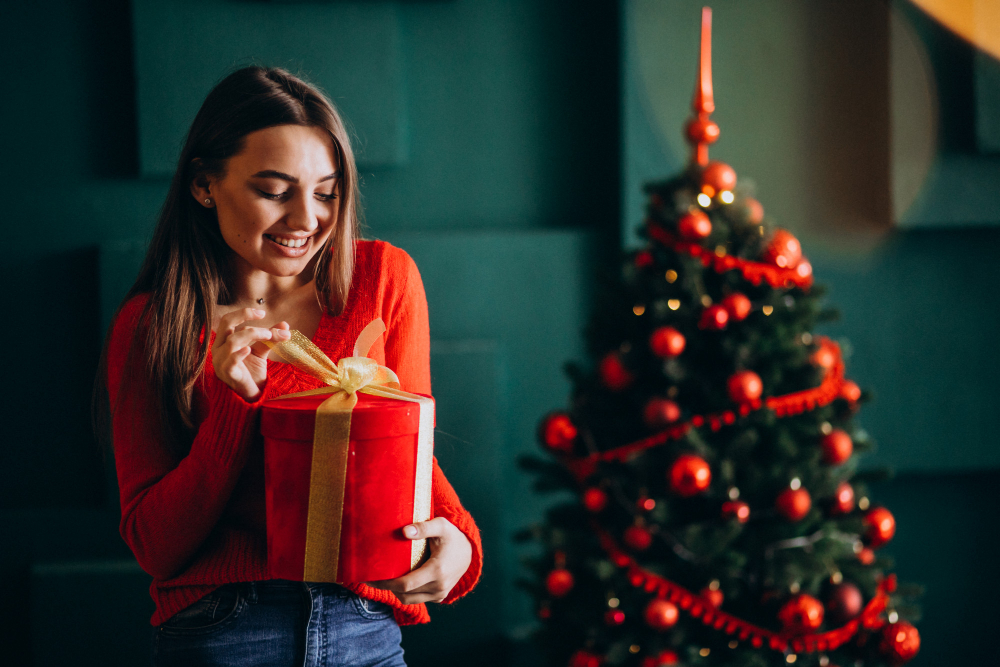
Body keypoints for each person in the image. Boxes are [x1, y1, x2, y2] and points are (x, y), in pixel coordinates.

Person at [96, 66, 482, 666]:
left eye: (326, 193)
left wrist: (460, 542)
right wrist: (234, 404)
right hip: (224, 630)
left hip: (365, 628)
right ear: (204, 185)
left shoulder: (382, 280)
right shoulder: (154, 324)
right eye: (274, 191)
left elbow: (413, 457)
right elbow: (155, 546)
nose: (307, 220)